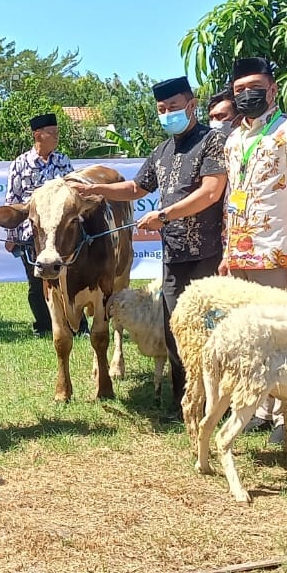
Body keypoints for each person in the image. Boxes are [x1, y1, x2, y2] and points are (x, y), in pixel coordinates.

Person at [68, 76, 226, 414]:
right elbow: (135, 189)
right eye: (162, 109)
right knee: (174, 328)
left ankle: (215, 401)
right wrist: (93, 191)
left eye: (173, 107)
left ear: (191, 104)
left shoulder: (212, 142)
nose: (168, 113)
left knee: (210, 328)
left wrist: (164, 215)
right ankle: (182, 401)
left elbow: (211, 191)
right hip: (173, 253)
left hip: (208, 253)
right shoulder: (163, 151)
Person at [220, 57, 287, 289]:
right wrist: (227, 253)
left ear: (272, 90)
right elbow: (230, 199)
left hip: (277, 256)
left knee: (280, 325)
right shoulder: (233, 140)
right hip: (238, 257)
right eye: (240, 89)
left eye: (255, 87)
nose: (247, 94)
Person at [3, 113, 74, 336]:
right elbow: (12, 201)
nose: (56, 137)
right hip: (31, 233)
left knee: (68, 278)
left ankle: (76, 326)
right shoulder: (20, 164)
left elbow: (73, 195)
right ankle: (44, 325)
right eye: (51, 133)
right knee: (36, 282)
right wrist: (11, 236)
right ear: (37, 135)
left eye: (57, 133)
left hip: (61, 234)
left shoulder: (63, 162)